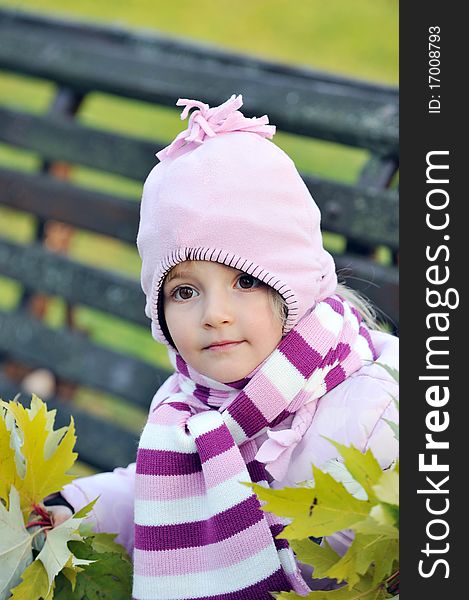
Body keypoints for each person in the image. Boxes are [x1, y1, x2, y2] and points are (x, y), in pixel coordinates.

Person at [44, 94, 399, 598]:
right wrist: (74, 505)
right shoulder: (189, 405)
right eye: (184, 291)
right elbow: (158, 497)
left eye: (246, 282)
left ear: (293, 285)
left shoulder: (382, 405)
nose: (214, 314)